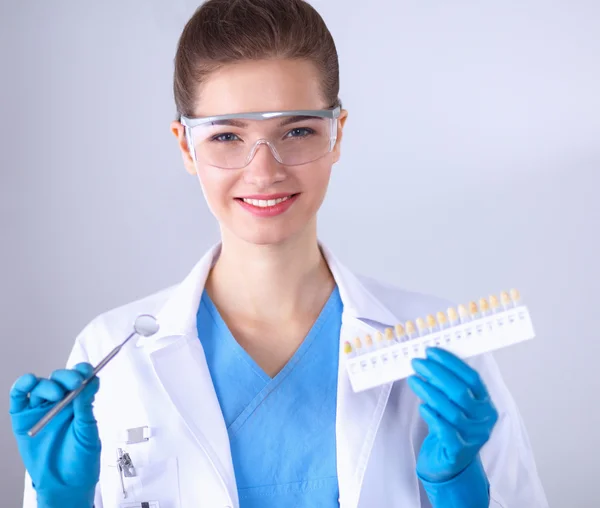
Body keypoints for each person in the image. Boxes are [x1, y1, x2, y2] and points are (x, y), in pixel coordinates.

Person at [9, 0, 549, 507]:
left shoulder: (439, 347)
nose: (264, 171)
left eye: (297, 130)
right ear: (185, 146)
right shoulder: (112, 354)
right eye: (226, 137)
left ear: (337, 135)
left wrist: (457, 488)